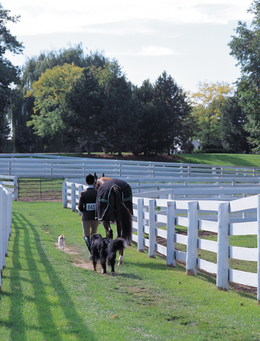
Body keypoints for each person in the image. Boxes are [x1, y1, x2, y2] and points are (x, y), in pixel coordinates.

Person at [78, 174, 99, 255]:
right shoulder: (97, 192)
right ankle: (93, 251)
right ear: (94, 182)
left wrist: (85, 210)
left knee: (86, 236)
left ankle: (91, 251)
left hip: (86, 217)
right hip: (95, 217)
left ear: (86, 182)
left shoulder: (83, 193)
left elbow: (80, 207)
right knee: (94, 235)